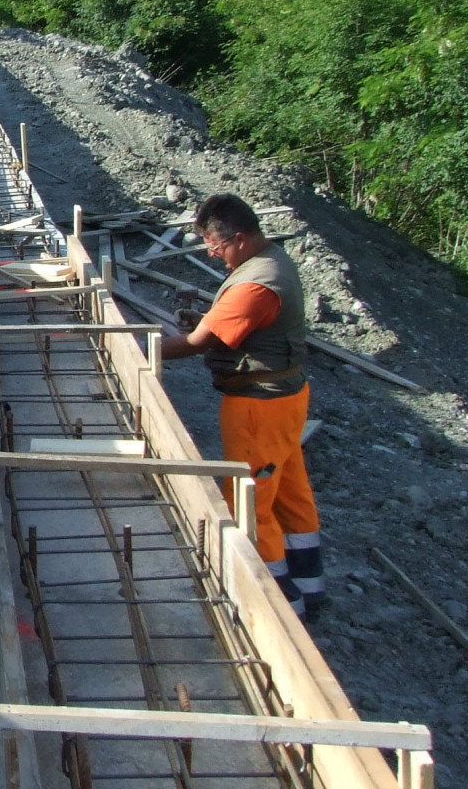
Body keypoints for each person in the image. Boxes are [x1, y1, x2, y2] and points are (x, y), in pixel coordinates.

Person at [159, 193, 324, 618]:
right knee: (290, 491)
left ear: (239, 237)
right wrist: (209, 319)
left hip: (258, 406)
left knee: (250, 502)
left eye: (215, 246)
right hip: (287, 398)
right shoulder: (272, 260)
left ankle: (278, 607)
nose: (213, 255)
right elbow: (237, 326)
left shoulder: (255, 283)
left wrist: (145, 348)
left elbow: (199, 344)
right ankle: (309, 586)